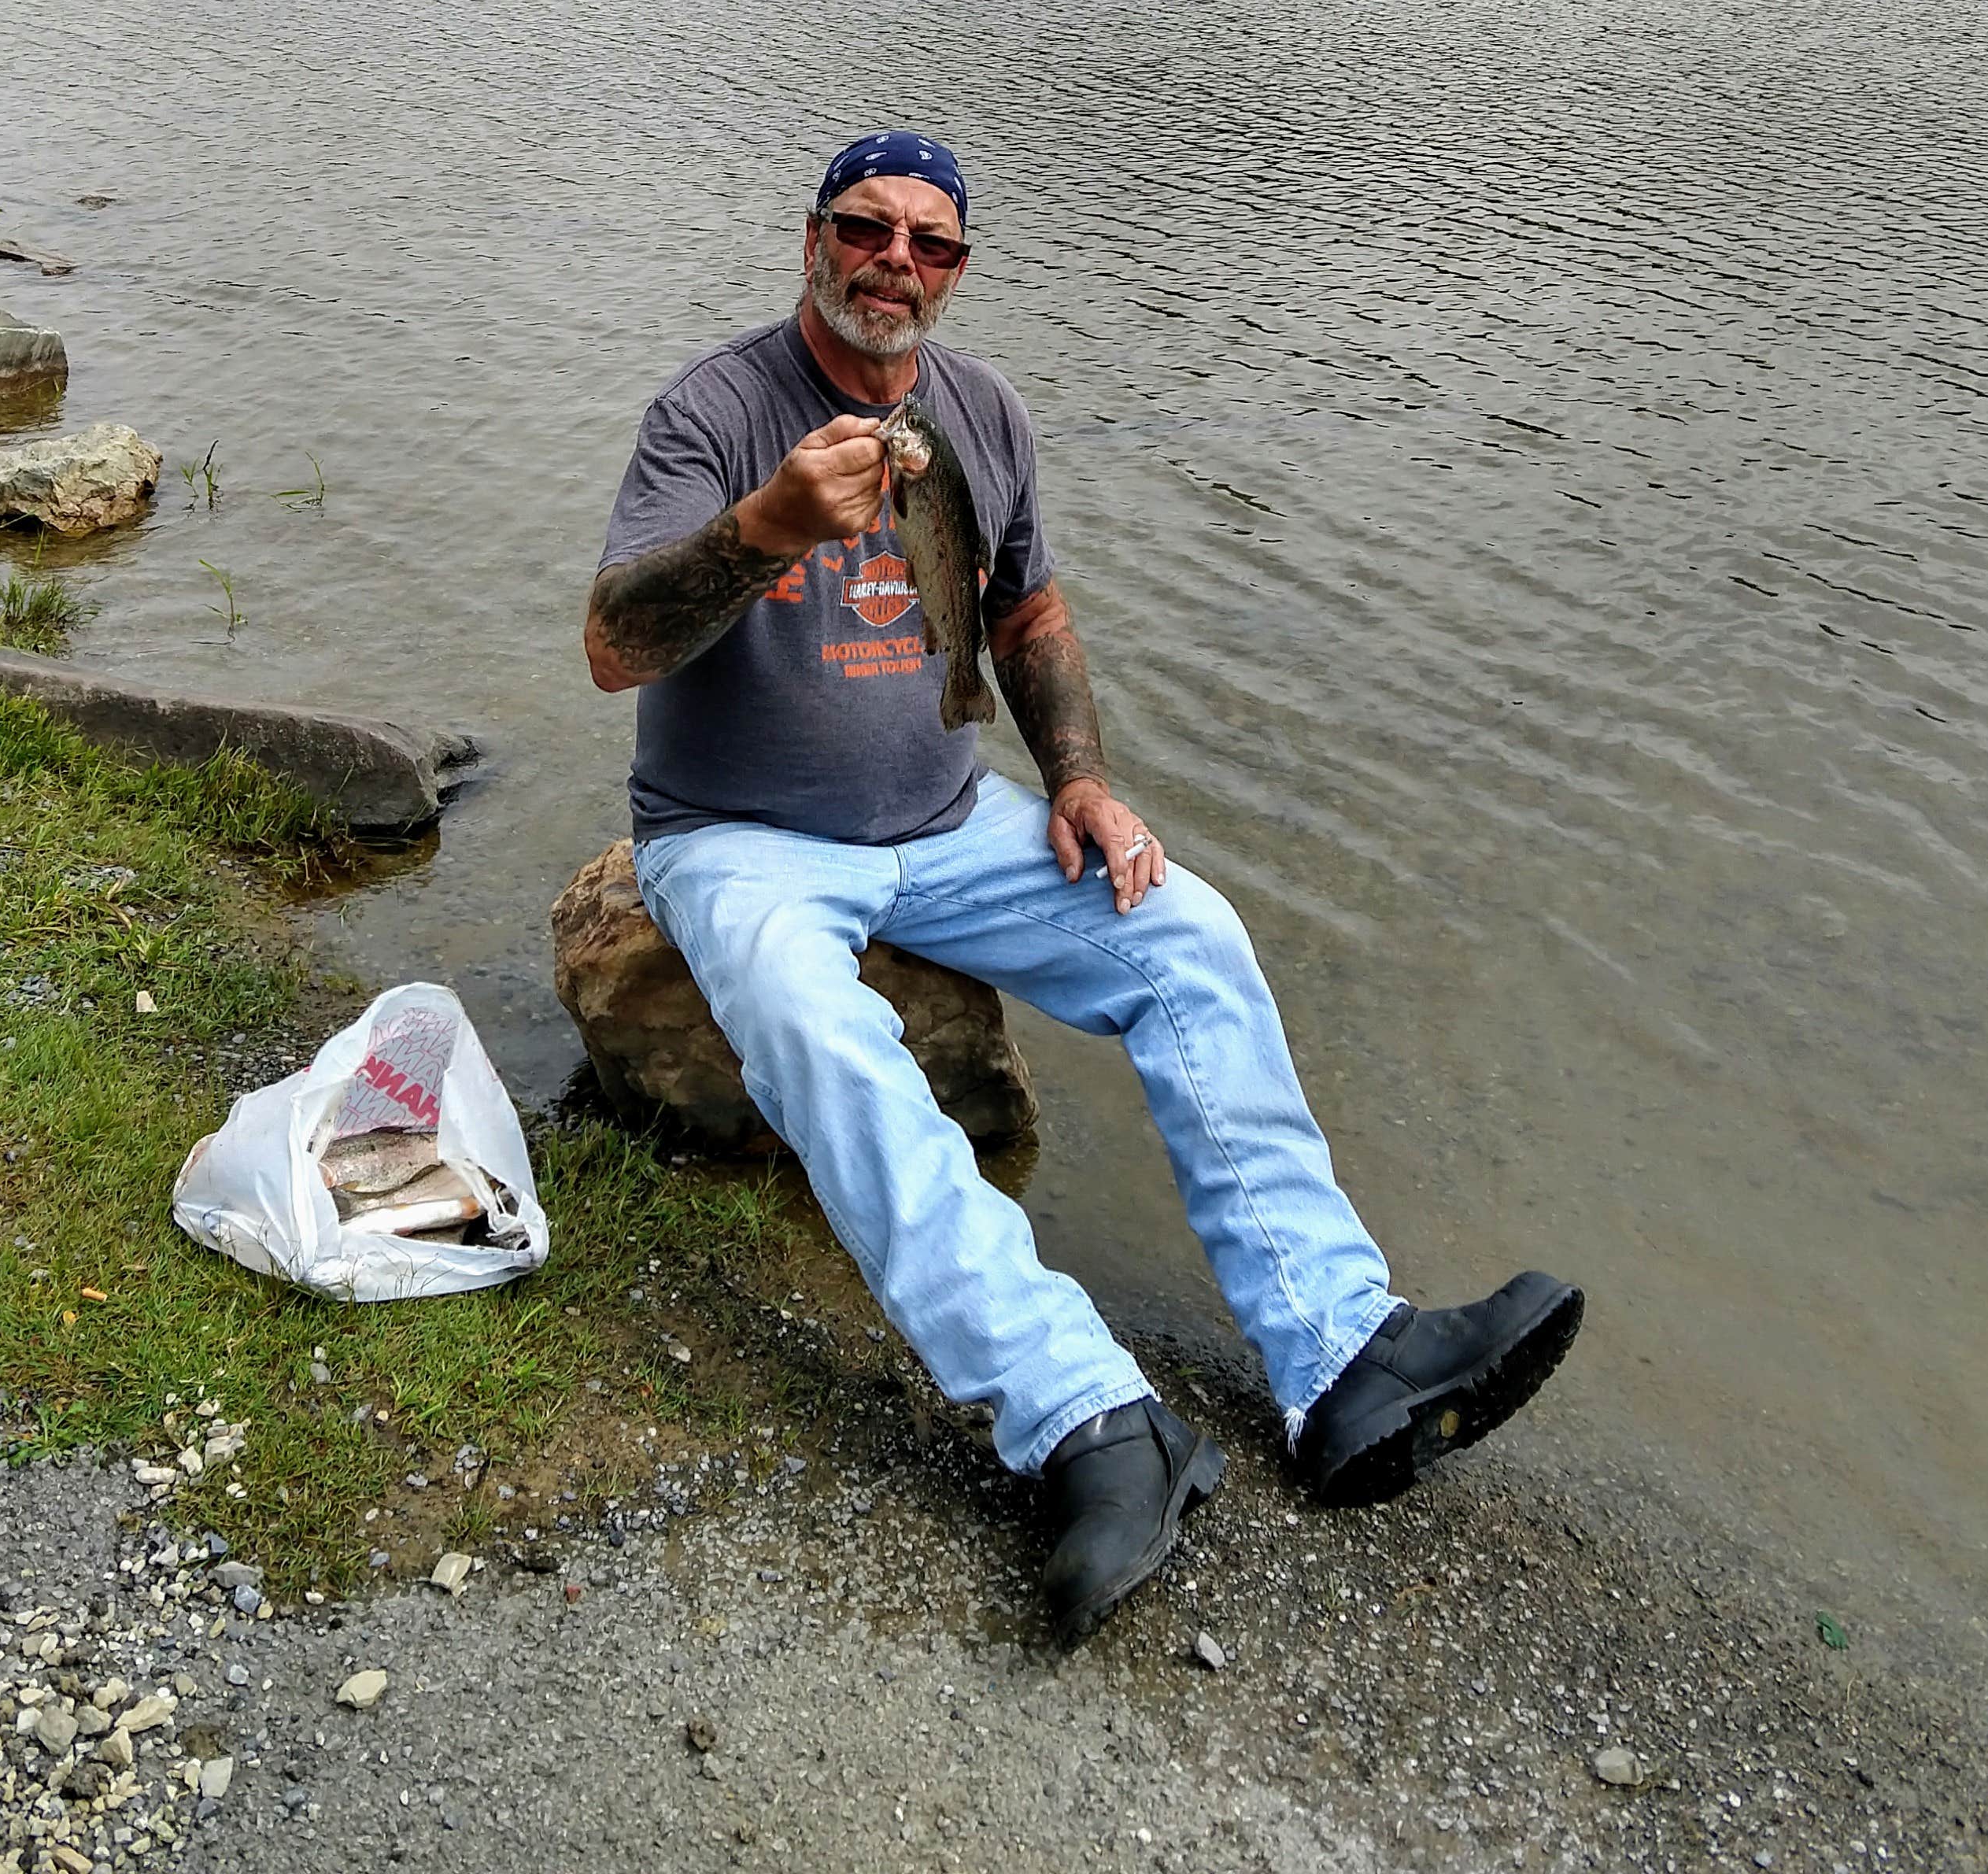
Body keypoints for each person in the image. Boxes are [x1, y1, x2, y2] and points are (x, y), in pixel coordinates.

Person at [584, 128, 1583, 1647]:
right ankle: (1082, 1416)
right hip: (737, 836)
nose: (894, 263)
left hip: (943, 817)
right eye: (867, 230)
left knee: (1185, 928)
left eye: (931, 244)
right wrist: (764, 529)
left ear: (960, 270)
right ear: (813, 240)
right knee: (814, 1032)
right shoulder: (714, 411)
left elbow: (1029, 611)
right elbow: (613, 649)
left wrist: (1082, 785)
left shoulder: (981, 412)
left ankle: (1342, 1355)